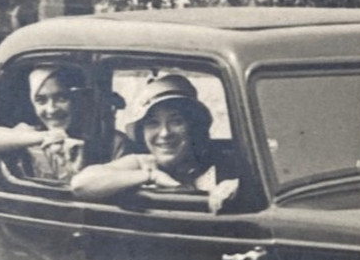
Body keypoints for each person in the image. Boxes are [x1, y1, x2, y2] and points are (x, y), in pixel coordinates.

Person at [72, 73, 241, 214]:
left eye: (176, 121)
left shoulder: (221, 163)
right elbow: (81, 185)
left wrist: (233, 188)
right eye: (153, 123)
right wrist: (149, 175)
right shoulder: (143, 162)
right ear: (142, 132)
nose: (165, 133)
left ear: (194, 126)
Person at [0, 64, 129, 182]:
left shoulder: (113, 142)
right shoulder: (27, 135)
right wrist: (44, 137)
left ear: (78, 99)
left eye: (61, 98)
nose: (51, 110)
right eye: (41, 100)